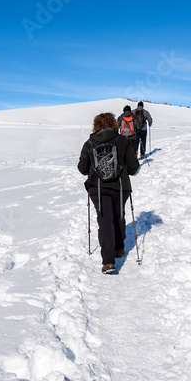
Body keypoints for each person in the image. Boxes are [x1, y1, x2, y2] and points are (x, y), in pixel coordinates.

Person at [78, 112, 140, 274]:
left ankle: (108, 262)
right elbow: (133, 168)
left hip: (97, 187)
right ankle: (119, 248)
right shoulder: (123, 141)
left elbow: (82, 169)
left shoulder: (89, 143)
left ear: (96, 125)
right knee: (119, 215)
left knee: (105, 220)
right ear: (114, 124)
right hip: (121, 186)